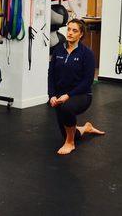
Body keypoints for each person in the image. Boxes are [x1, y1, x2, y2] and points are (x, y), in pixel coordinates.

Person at [48, 19, 105, 155]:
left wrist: (68, 95)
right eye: (68, 29)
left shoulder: (87, 54)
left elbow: (87, 81)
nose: (70, 33)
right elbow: (51, 75)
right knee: (70, 132)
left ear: (81, 34)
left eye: (74, 31)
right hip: (61, 95)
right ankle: (86, 128)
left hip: (82, 95)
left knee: (67, 108)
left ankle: (70, 143)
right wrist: (52, 95)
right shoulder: (58, 50)